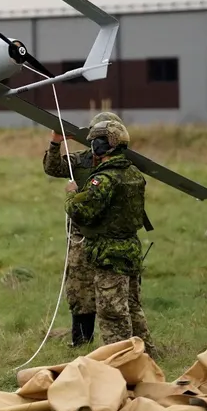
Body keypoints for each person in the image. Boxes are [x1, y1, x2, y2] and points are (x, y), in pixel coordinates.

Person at [62, 119, 155, 356]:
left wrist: (73, 195)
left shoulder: (104, 178)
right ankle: (147, 355)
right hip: (130, 249)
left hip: (108, 253)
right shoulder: (133, 172)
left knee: (112, 312)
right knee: (133, 308)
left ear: (101, 146)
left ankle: (120, 359)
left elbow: (82, 211)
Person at [43, 111, 125, 347]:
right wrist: (56, 142)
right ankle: (81, 343)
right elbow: (53, 167)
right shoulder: (81, 161)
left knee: (117, 293)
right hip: (81, 238)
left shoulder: (122, 165)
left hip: (112, 238)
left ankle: (122, 345)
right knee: (80, 291)